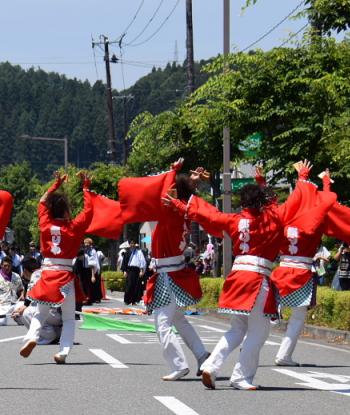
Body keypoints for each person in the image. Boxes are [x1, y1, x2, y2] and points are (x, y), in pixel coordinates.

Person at [164, 180, 282, 390]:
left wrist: (181, 206)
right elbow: (278, 209)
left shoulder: (234, 220)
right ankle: (240, 376)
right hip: (257, 278)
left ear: (242, 202)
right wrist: (266, 185)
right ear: (262, 203)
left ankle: (211, 365)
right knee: (259, 329)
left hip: (237, 277)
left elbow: (208, 215)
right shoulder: (269, 220)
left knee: (237, 328)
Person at [270, 164, 350, 367]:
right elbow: (328, 205)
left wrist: (301, 179)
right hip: (302, 271)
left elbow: (277, 205)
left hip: (282, 270)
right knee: (298, 316)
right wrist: (326, 183)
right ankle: (283, 355)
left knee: (265, 313)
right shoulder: (314, 220)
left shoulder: (283, 218)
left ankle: (250, 344)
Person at [138, 160, 210, 381]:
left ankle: (179, 365)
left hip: (168, 274)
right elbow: (179, 194)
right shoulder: (182, 211)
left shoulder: (170, 213)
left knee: (163, 323)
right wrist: (192, 183)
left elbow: (167, 193)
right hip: (173, 269)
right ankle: (202, 355)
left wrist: (173, 172)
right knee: (179, 319)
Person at [21, 171, 94, 364]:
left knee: (40, 313)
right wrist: (85, 187)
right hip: (66, 276)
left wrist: (56, 184)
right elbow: (89, 211)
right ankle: (63, 352)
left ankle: (31, 338)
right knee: (69, 318)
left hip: (47, 274)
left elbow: (42, 201)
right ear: (66, 211)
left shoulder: (45, 223)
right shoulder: (73, 227)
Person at [0, 257, 24, 325]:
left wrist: (22, 295)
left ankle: (16, 317)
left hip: (15, 304)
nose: (7, 267)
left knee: (26, 314)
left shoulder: (17, 276)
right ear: (1, 265)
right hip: (2, 305)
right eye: (5, 266)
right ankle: (4, 317)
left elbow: (21, 289)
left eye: (9, 266)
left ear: (11, 266)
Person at [120, 240, 147, 305]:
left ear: (135, 244)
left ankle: (133, 301)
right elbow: (124, 263)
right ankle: (127, 300)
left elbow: (142, 262)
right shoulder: (127, 253)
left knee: (136, 286)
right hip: (129, 270)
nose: (132, 245)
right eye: (131, 243)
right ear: (129, 244)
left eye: (133, 243)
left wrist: (141, 271)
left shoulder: (139, 252)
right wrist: (124, 271)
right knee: (129, 285)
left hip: (137, 270)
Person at [81, 238, 103, 304]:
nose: (86, 244)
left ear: (90, 244)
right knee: (86, 285)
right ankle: (86, 298)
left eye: (87, 243)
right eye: (85, 243)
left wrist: (93, 275)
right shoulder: (85, 250)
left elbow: (92, 264)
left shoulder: (92, 251)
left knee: (90, 285)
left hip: (91, 270)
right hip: (85, 269)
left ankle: (90, 299)